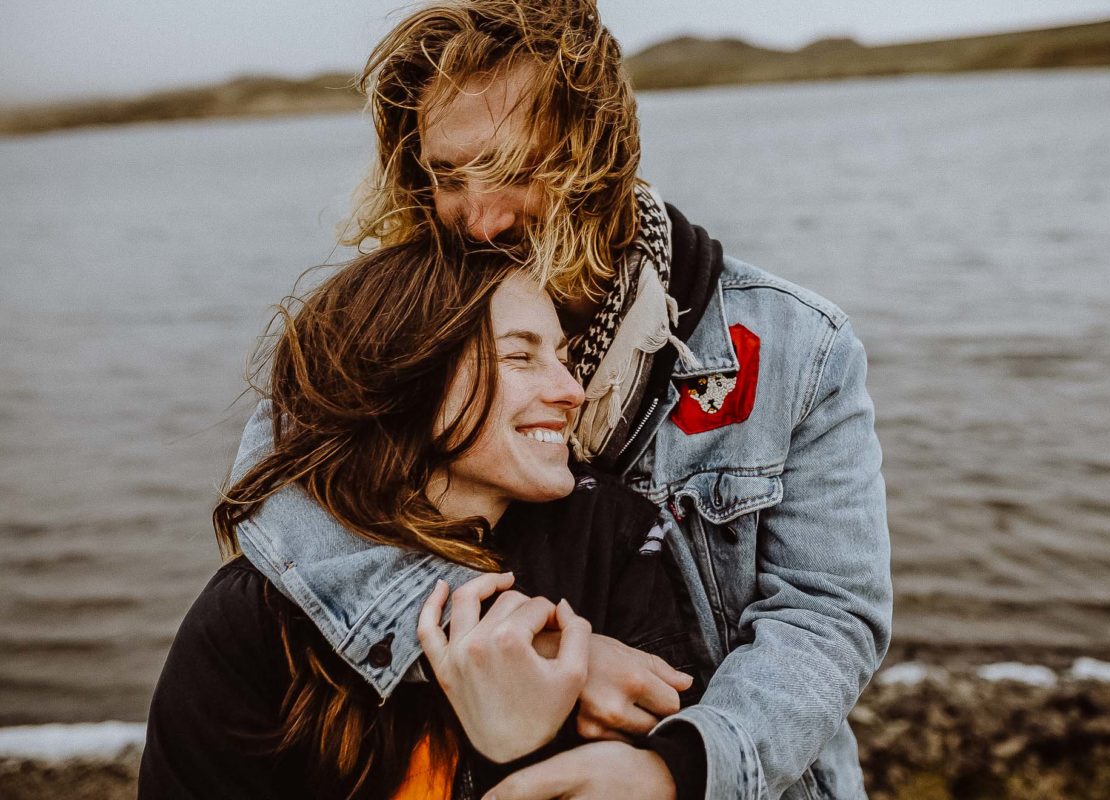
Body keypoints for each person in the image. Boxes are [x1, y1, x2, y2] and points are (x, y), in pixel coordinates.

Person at [234, 1, 892, 798]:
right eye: (447, 176)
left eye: (513, 169)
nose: (477, 219)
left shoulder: (797, 344)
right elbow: (279, 496)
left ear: (600, 152)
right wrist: (545, 657)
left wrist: (677, 770)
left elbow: (829, 615)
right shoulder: (393, 327)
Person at [138, 244, 702, 799]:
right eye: (520, 357)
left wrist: (525, 746)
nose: (572, 391)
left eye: (563, 356)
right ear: (407, 377)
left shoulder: (613, 545)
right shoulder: (256, 619)